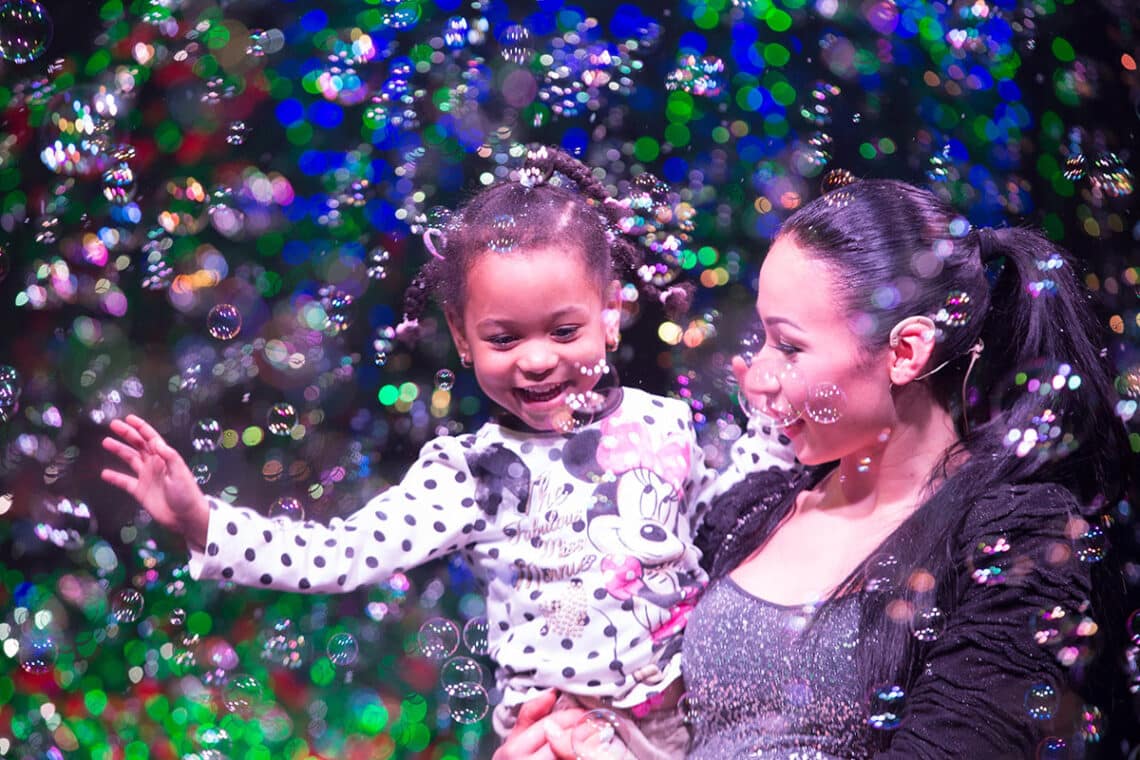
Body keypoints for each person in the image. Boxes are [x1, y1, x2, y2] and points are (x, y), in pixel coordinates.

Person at [100, 145, 794, 759]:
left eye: (563, 330)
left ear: (609, 315)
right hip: (569, 736)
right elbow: (340, 554)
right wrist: (201, 520)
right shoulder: (472, 475)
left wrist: (772, 430)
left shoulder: (663, 423)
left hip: (694, 715)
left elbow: (715, 524)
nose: (537, 360)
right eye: (502, 338)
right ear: (461, 340)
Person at [495, 178, 1129, 758]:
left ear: (906, 350)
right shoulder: (749, 510)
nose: (761, 378)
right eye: (763, 339)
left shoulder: (1017, 536)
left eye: (790, 345)